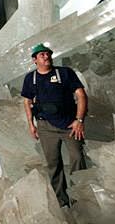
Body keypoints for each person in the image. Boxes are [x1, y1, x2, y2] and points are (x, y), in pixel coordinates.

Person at [21, 43, 87, 207]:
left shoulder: (64, 73)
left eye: (48, 53)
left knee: (78, 158)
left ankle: (80, 200)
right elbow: (27, 101)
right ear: (35, 60)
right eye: (42, 54)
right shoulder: (31, 78)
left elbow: (81, 95)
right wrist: (31, 124)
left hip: (69, 125)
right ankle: (62, 201)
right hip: (45, 126)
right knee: (53, 163)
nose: (46, 56)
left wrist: (79, 121)